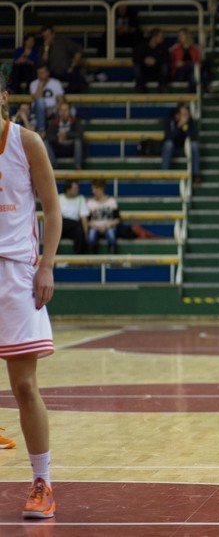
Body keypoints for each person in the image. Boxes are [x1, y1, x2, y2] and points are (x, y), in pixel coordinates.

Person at [0, 73, 62, 518]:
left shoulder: (27, 142)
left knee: (23, 385)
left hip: (17, 272)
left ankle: (42, 482)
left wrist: (47, 266)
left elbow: (53, 209)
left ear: (3, 96)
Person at [39, 25, 86, 93]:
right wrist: (46, 49)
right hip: (52, 73)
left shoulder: (63, 42)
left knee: (77, 79)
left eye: (48, 35)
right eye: (44, 36)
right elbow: (42, 63)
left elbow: (79, 49)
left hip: (67, 70)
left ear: (53, 34)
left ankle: (64, 94)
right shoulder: (42, 48)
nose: (47, 38)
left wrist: (72, 66)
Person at [161, 104, 201, 183]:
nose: (185, 116)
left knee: (194, 145)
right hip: (173, 148)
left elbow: (194, 137)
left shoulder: (190, 121)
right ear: (177, 115)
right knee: (168, 144)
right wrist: (179, 126)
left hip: (185, 148)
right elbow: (168, 137)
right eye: (183, 114)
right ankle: (164, 173)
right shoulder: (170, 120)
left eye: (187, 114)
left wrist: (186, 129)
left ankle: (196, 174)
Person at [45, 102, 84, 170]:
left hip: (71, 148)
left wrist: (66, 135)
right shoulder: (54, 122)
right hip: (58, 147)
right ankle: (54, 166)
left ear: (69, 111)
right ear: (59, 112)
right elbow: (48, 135)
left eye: (65, 110)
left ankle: (77, 166)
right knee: (46, 142)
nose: (63, 112)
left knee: (78, 141)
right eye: (61, 110)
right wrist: (57, 139)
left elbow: (80, 133)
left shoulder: (75, 121)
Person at [86, 179, 120, 254]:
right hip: (95, 227)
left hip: (108, 226)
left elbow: (117, 219)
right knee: (91, 236)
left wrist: (109, 225)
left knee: (111, 235)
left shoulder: (111, 201)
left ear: (101, 189)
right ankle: (92, 259)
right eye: (92, 189)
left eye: (95, 189)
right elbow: (87, 221)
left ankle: (112, 257)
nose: (93, 191)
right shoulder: (90, 203)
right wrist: (95, 226)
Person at [29, 64, 64, 134]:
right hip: (37, 110)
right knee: (40, 101)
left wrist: (53, 109)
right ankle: (41, 130)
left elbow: (61, 99)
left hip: (53, 109)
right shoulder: (33, 84)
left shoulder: (55, 83)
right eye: (39, 73)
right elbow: (36, 99)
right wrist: (40, 85)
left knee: (63, 110)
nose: (41, 75)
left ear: (48, 73)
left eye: (43, 72)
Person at [133, 28, 169, 93]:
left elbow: (166, 58)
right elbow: (135, 57)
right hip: (145, 71)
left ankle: (162, 87)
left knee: (165, 66)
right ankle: (140, 88)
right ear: (154, 37)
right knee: (137, 66)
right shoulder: (143, 45)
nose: (162, 38)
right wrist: (144, 60)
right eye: (161, 37)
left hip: (157, 71)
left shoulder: (163, 46)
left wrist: (155, 61)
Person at [169, 28, 205, 93]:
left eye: (182, 35)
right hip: (180, 74)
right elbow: (171, 63)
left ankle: (191, 96)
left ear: (187, 36)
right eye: (179, 35)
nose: (180, 37)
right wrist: (176, 64)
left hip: (192, 73)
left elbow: (199, 63)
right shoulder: (175, 48)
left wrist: (196, 65)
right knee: (193, 67)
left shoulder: (195, 48)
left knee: (192, 75)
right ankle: (205, 85)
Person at [59, 180, 89, 254]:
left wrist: (86, 233)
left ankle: (78, 256)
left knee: (80, 231)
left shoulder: (80, 199)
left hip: (74, 227)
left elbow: (84, 217)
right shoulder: (59, 198)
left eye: (78, 188)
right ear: (68, 190)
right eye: (75, 189)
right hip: (62, 225)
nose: (77, 190)